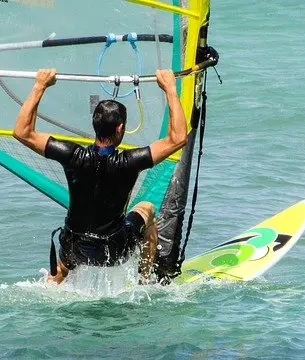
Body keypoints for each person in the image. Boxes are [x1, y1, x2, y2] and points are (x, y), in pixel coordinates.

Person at [13, 68, 187, 284]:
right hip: (113, 249)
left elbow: (22, 132)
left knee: (61, 269)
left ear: (95, 126)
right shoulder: (130, 161)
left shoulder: (71, 155)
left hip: (74, 247)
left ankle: (51, 283)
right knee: (147, 209)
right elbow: (178, 138)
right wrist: (170, 88)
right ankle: (145, 281)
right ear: (120, 128)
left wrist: (40, 85)